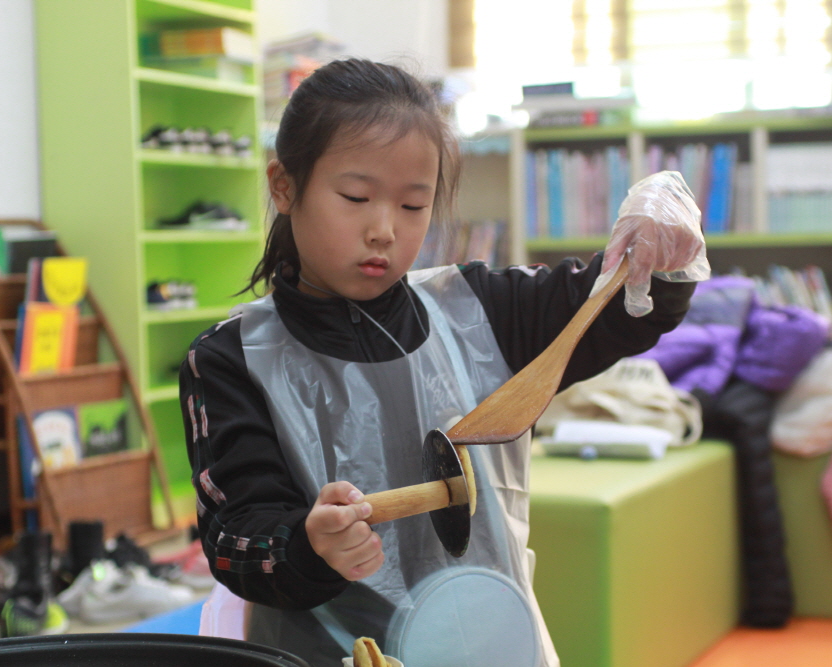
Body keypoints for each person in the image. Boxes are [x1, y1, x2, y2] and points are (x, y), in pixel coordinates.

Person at [180, 58, 707, 667]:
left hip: (491, 648)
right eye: (355, 197)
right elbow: (235, 539)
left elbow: (619, 307)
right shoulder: (231, 359)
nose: (384, 230)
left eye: (413, 206)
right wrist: (306, 546)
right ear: (284, 186)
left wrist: (664, 240)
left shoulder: (480, 309)